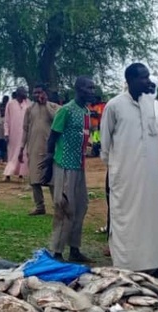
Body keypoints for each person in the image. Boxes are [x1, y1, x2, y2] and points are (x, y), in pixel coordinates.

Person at [99, 63, 158, 277]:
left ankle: (154, 263)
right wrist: (118, 168)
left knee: (151, 218)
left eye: (148, 77)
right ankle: (127, 265)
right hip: (125, 175)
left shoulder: (153, 106)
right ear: (130, 80)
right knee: (125, 217)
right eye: (143, 77)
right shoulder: (114, 106)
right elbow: (105, 145)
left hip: (149, 176)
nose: (148, 81)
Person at [46, 76, 95, 263]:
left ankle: (74, 248)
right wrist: (49, 165)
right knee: (64, 206)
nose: (92, 91)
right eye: (89, 88)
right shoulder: (65, 110)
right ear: (79, 89)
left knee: (81, 206)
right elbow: (52, 137)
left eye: (93, 88)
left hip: (79, 166)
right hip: (64, 164)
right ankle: (57, 251)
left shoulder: (86, 112)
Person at [21, 83, 61, 216]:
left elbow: (57, 120)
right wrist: (21, 148)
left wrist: (46, 105)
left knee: (52, 179)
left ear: (45, 93)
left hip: (50, 149)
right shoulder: (29, 109)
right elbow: (25, 130)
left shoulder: (54, 107)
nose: (37, 95)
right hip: (33, 148)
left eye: (39, 92)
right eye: (35, 93)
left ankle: (57, 207)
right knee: (34, 179)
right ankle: (40, 206)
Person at [3, 87, 30, 181]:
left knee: (23, 154)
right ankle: (8, 174)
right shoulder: (10, 104)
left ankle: (21, 174)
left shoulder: (28, 103)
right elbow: (6, 120)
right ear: (18, 93)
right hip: (13, 134)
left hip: (25, 133)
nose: (26, 94)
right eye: (24, 92)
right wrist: (6, 133)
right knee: (12, 154)